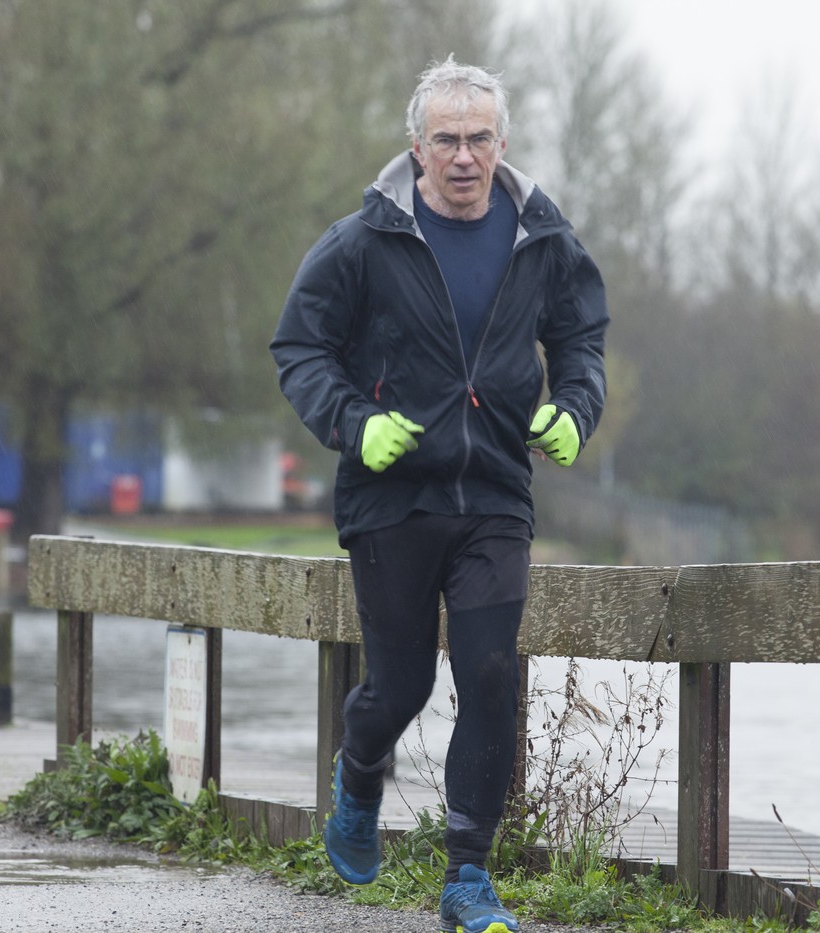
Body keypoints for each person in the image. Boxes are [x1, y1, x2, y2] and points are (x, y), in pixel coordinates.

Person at [270, 58, 608, 933]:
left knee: (491, 675)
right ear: (416, 146)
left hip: (496, 490)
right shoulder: (362, 239)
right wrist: (353, 423)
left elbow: (581, 339)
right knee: (403, 682)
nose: (465, 156)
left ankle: (467, 878)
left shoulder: (542, 238)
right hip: (392, 498)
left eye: (480, 138)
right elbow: (300, 347)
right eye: (448, 140)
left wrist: (574, 408)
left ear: (504, 143)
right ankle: (359, 773)